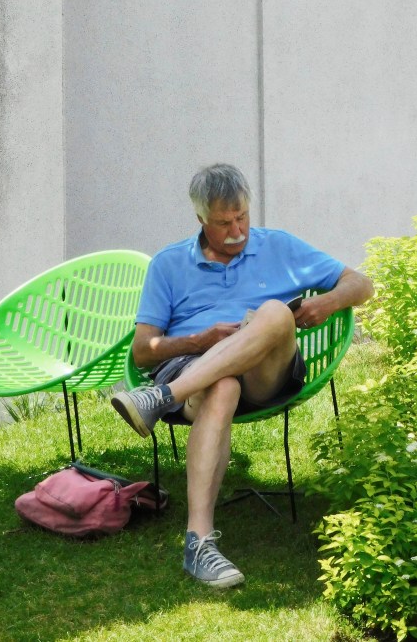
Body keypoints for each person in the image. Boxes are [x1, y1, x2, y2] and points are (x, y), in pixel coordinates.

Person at [111, 164, 373, 588]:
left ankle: (158, 399)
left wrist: (327, 302)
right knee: (223, 384)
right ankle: (199, 543)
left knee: (273, 313)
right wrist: (199, 340)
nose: (236, 232)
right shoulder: (169, 264)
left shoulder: (279, 246)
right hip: (197, 370)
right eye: (223, 223)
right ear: (200, 218)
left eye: (242, 218)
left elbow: (361, 284)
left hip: (266, 373)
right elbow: (143, 350)